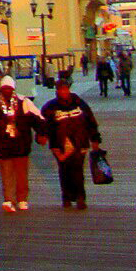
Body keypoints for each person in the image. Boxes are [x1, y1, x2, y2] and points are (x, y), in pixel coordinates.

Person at [0, 75, 46, 212]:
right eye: (4, 88)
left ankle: (22, 199)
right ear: (0, 89)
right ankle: (8, 200)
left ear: (13, 89)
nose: (6, 91)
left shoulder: (24, 102)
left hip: (21, 144)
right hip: (3, 145)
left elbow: (38, 118)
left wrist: (41, 134)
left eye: (9, 88)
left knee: (21, 174)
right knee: (6, 174)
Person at [41, 72, 103, 208]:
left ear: (69, 89)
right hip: (60, 144)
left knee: (78, 170)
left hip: (79, 142)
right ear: (57, 91)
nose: (63, 91)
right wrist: (43, 136)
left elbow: (90, 121)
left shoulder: (79, 103)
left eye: (65, 89)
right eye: (61, 89)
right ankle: (67, 197)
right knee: (64, 170)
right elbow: (44, 124)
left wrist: (95, 138)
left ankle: (80, 198)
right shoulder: (50, 107)